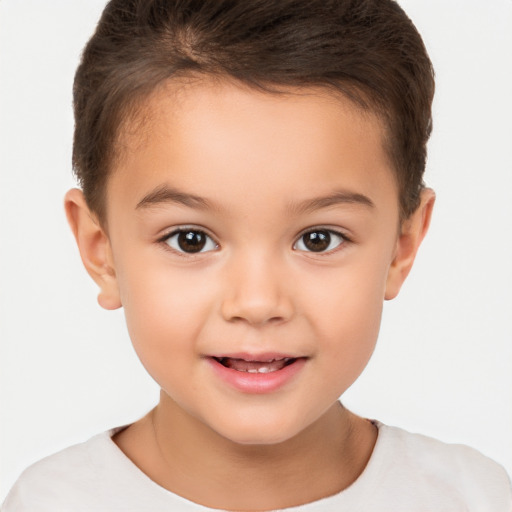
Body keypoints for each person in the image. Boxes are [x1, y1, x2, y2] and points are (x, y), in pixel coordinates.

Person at [2, 0, 511, 510]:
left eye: (319, 239)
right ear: (102, 251)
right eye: (190, 239)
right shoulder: (49, 502)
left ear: (402, 246)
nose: (258, 302)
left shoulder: (474, 499)